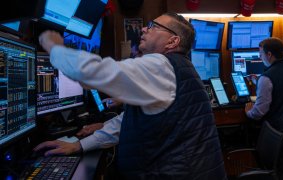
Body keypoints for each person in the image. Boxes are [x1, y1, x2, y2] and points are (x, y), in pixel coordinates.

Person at [35, 12, 227, 180]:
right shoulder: (178, 67)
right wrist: (81, 145)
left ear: (172, 41)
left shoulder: (161, 65)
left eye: (153, 26)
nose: (144, 29)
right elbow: (129, 121)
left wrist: (54, 47)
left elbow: (97, 73)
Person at [245, 37, 283, 180]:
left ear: (269, 55)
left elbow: (259, 112)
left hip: (280, 137)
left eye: (261, 55)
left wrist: (248, 111)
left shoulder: (266, 78)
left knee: (280, 174)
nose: (260, 58)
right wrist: (258, 81)